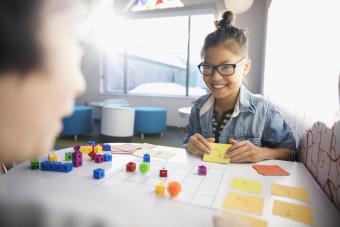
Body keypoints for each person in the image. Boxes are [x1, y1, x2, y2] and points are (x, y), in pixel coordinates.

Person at [183, 11, 297, 162]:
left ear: (245, 67)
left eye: (226, 67)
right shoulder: (198, 108)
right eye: (208, 67)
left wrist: (263, 153)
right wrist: (189, 144)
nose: (215, 77)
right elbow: (186, 144)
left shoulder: (264, 111)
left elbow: (291, 152)